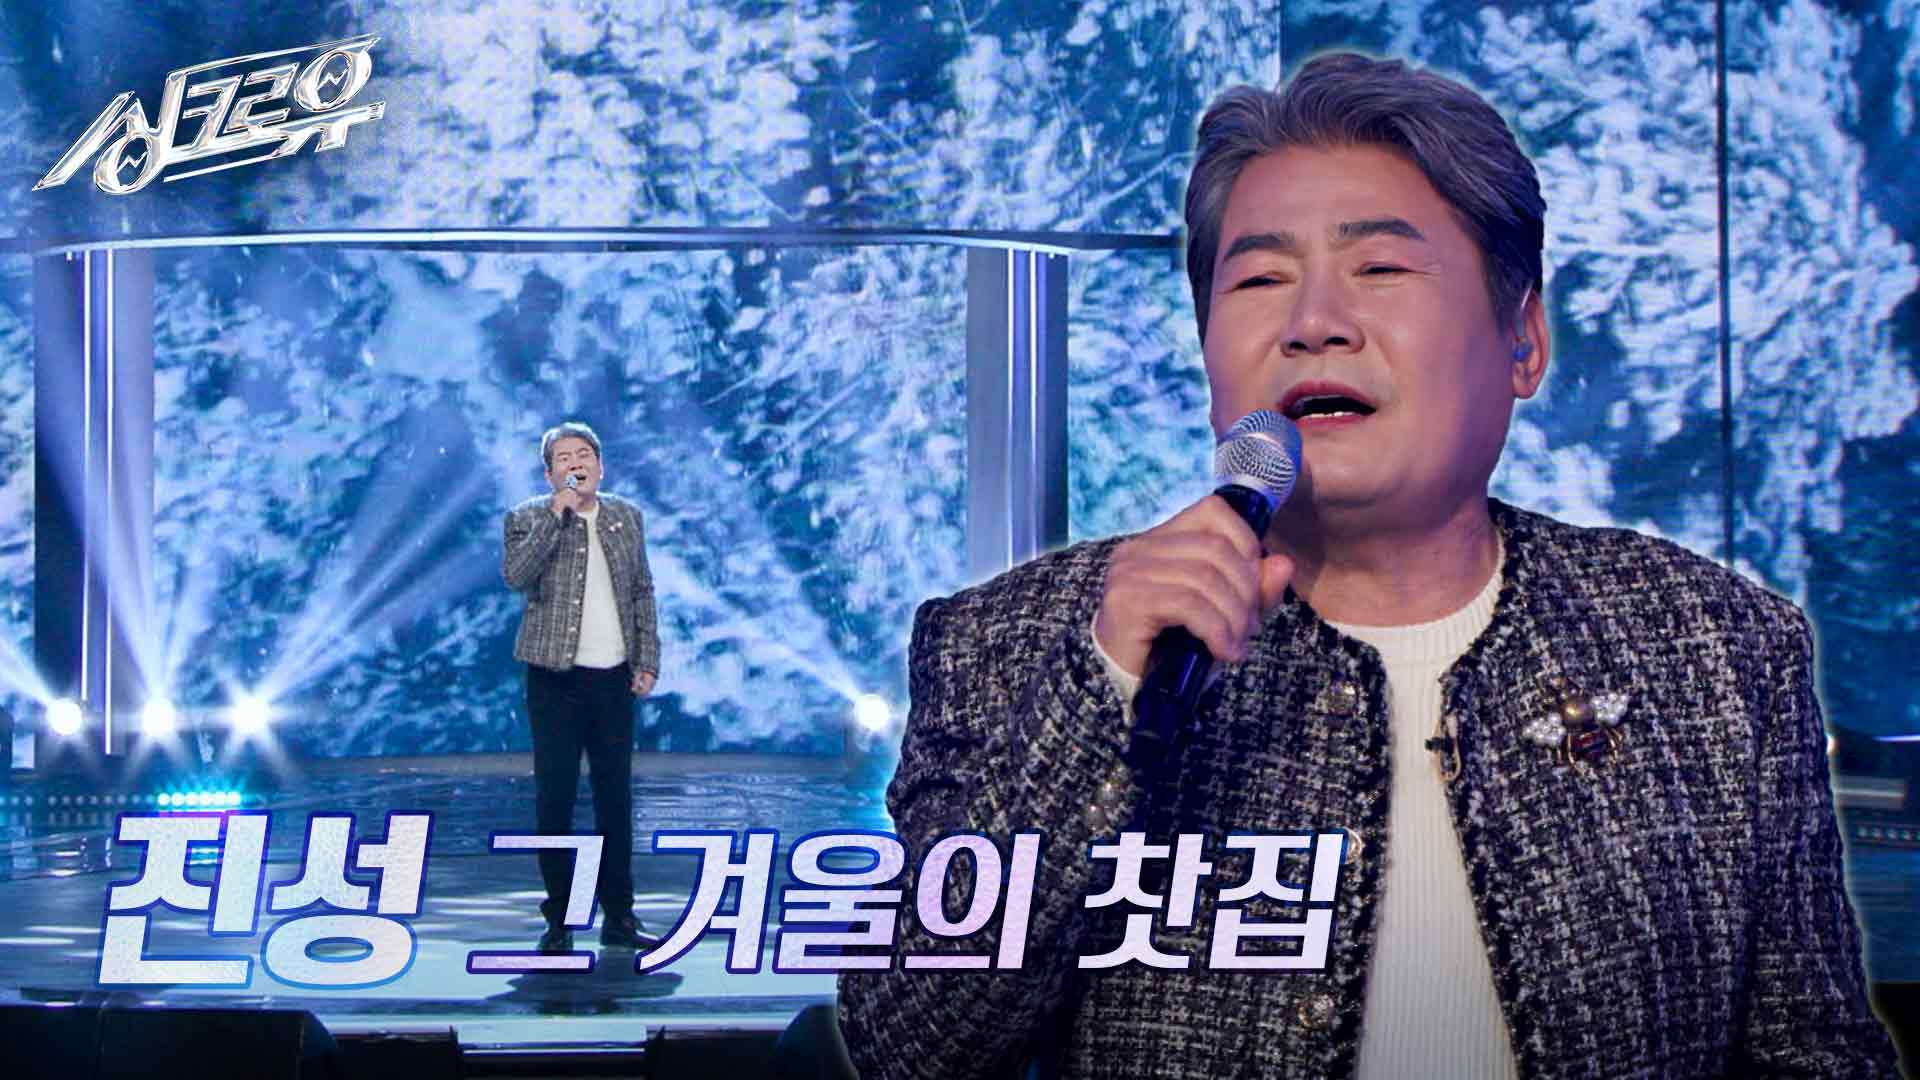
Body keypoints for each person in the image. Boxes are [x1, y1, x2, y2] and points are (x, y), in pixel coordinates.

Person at [836, 52, 1899, 1078]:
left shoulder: (1713, 647)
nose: (1313, 325)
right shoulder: (1008, 643)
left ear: (1523, 341)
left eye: (1380, 269)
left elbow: (1812, 1055)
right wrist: (1104, 696)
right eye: (1260, 279)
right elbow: (912, 1049)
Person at [502, 421, 661, 953]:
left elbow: (641, 591)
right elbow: (517, 576)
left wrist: (647, 660)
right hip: (554, 680)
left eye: (585, 454)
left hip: (613, 678)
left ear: (601, 465)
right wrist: (558, 514)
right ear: (550, 474)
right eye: (564, 458)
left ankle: (620, 916)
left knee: (615, 799)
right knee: (557, 800)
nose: (577, 463)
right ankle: (561, 920)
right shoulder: (527, 517)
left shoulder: (626, 517)